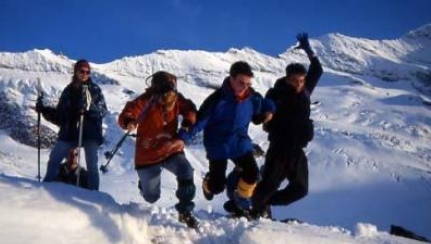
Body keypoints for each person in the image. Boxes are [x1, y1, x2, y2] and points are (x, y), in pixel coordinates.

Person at [188, 61, 275, 215]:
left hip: (239, 143)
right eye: (241, 82)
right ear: (231, 79)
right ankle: (208, 183)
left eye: (248, 83)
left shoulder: (251, 97)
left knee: (252, 173)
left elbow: (265, 103)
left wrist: (269, 110)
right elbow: (199, 122)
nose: (245, 87)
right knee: (217, 186)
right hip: (217, 144)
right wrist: (182, 137)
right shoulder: (216, 100)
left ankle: (242, 199)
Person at [251, 33, 323, 219]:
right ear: (287, 78)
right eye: (295, 80)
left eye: (302, 80)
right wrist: (266, 115)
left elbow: (317, 70)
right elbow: (267, 107)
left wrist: (309, 51)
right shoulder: (277, 93)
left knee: (300, 189)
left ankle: (263, 202)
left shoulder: (305, 91)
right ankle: (252, 210)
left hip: (297, 150)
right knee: (268, 185)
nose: (299, 84)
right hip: (280, 148)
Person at [118, 71, 199, 228]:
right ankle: (144, 186)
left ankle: (185, 211)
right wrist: (129, 121)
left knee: (186, 171)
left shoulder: (177, 99)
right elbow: (129, 111)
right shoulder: (146, 100)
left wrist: (188, 121)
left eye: (172, 90)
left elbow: (190, 109)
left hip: (170, 149)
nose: (169, 95)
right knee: (151, 197)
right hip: (147, 155)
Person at [36, 59, 108, 191]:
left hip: (90, 133)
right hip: (70, 132)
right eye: (82, 71)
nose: (85, 74)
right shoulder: (68, 91)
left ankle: (94, 196)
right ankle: (45, 189)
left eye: (87, 72)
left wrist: (89, 107)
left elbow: (103, 111)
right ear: (76, 71)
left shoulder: (95, 90)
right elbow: (60, 116)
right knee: (54, 159)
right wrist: (44, 110)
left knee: (92, 165)